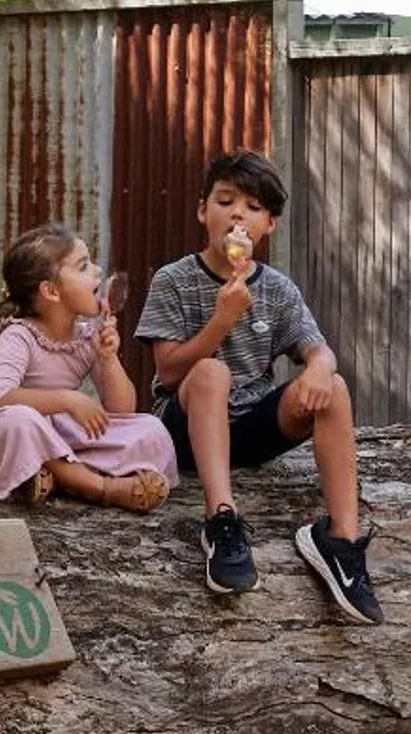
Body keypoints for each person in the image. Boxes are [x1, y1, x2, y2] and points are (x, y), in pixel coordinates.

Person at [135, 148, 380, 622]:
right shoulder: (175, 280)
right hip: (184, 429)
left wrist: (316, 369)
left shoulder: (277, 289)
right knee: (212, 372)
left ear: (269, 224)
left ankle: (340, 542)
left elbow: (320, 351)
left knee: (335, 386)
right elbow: (168, 372)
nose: (238, 215)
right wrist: (221, 322)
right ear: (203, 210)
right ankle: (221, 521)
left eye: (253, 207)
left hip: (247, 430)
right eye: (225, 201)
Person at [0, 227, 175, 511]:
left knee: (151, 428)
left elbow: (123, 410)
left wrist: (108, 359)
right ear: (51, 291)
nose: (98, 271)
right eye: (83, 266)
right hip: (14, 437)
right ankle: (100, 487)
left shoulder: (87, 337)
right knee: (21, 421)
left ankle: (54, 477)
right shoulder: (19, 336)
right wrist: (66, 399)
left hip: (61, 438)